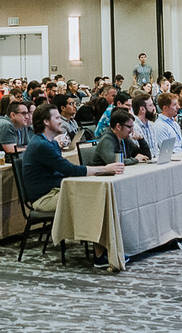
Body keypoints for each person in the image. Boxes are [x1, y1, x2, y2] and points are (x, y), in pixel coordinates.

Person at [21, 104, 122, 259]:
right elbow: (70, 170)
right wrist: (104, 169)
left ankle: (107, 248)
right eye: (56, 118)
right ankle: (100, 254)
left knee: (96, 196)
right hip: (44, 198)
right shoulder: (41, 145)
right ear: (46, 122)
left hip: (56, 190)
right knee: (94, 200)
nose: (60, 121)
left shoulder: (49, 143)